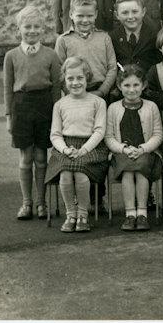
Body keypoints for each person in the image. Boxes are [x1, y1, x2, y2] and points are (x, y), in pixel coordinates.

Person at [3, 5, 62, 220]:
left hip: (44, 106)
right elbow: (8, 88)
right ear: (19, 28)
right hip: (21, 107)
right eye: (27, 27)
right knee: (25, 157)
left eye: (37, 26)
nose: (32, 31)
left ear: (43, 29)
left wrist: (57, 115)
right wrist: (9, 116)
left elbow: (56, 87)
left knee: (41, 157)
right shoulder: (11, 56)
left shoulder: (51, 55)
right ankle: (26, 202)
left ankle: (41, 202)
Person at [45, 57, 108, 233]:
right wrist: (64, 149)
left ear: (87, 78)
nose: (75, 82)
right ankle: (70, 214)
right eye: (70, 78)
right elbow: (55, 134)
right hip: (65, 146)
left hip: (92, 147)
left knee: (81, 174)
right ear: (64, 80)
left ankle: (82, 215)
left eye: (80, 78)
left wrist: (84, 149)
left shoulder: (98, 102)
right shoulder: (60, 105)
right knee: (65, 173)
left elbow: (99, 131)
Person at [105, 65, 163, 232]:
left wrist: (143, 149)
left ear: (143, 85)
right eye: (127, 85)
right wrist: (123, 149)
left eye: (136, 85)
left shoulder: (151, 106)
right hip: (121, 153)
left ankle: (142, 214)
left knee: (140, 169)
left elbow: (158, 135)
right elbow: (109, 137)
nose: (132, 90)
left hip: (146, 153)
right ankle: (130, 214)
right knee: (129, 170)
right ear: (119, 86)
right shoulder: (113, 108)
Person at [54, 0, 117, 100]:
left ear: (96, 14)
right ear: (71, 14)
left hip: (100, 92)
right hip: (74, 92)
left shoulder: (104, 38)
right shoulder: (63, 40)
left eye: (89, 16)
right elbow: (58, 70)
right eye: (80, 16)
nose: (85, 20)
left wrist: (102, 91)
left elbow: (112, 67)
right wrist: (71, 92)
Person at [109, 0, 161, 74]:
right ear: (117, 15)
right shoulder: (112, 37)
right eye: (125, 13)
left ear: (143, 12)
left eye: (135, 11)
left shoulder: (155, 36)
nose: (130, 17)